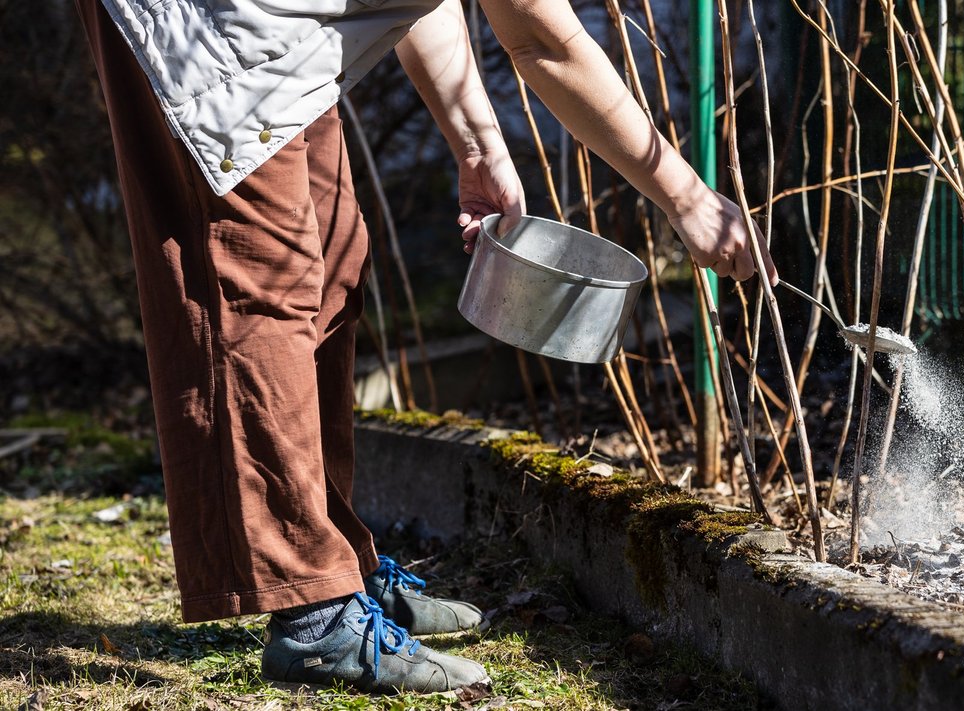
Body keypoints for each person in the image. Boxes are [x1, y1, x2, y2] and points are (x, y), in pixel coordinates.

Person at [76, 0, 778, 695]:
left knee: (334, 252)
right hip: (209, 20)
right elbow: (543, 39)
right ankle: (313, 619)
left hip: (279, 25)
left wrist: (477, 144)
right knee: (259, 279)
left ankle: (335, 559)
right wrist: (686, 198)